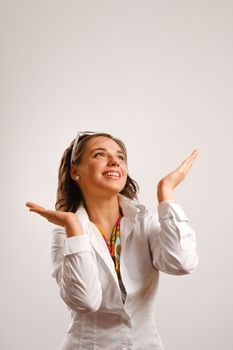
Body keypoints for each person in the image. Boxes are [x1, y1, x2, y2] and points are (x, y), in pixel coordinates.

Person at [26, 131, 199, 350]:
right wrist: (73, 227)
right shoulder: (65, 235)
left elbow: (182, 263)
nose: (115, 162)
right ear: (75, 171)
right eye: (99, 154)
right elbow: (86, 301)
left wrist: (165, 193)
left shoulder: (145, 222)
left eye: (120, 157)